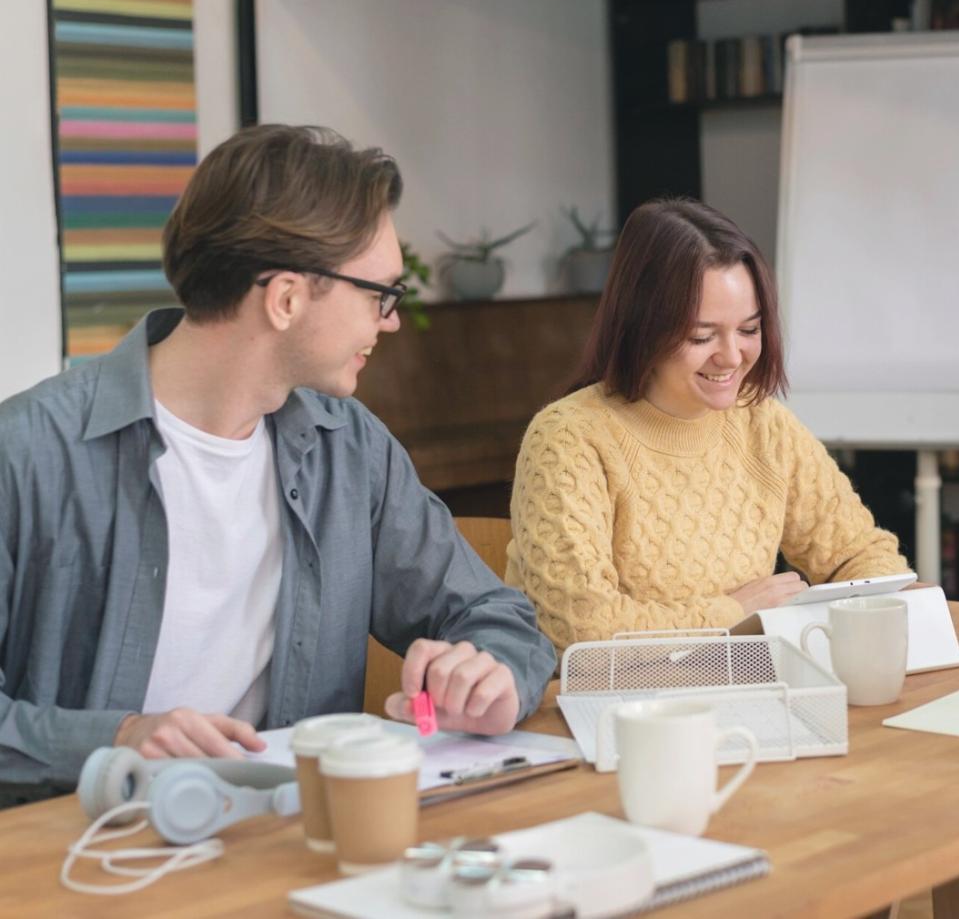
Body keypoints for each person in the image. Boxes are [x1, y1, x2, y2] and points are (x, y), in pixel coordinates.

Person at [0, 125, 555, 803]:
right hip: (76, 865)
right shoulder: (28, 453)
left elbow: (496, 614)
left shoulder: (350, 449)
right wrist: (115, 738)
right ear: (286, 298)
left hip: (288, 843)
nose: (391, 322)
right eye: (380, 294)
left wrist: (491, 674)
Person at [505, 198, 909, 651]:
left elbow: (863, 555)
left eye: (749, 330)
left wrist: (866, 610)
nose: (733, 357)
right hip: (605, 709)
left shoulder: (763, 423)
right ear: (643, 326)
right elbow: (580, 627)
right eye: (702, 336)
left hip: (741, 686)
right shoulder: (568, 438)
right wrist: (733, 612)